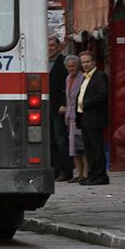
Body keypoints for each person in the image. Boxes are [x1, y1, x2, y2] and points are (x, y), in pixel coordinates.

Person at [76, 51, 109, 186]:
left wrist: (85, 103)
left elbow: (102, 95)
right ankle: (92, 174)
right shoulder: (85, 77)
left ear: (94, 62)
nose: (86, 64)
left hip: (95, 117)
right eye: (83, 62)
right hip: (85, 117)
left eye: (88, 61)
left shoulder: (100, 76)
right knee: (88, 149)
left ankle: (100, 176)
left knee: (96, 148)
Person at [47, 36, 72, 181]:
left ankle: (65, 170)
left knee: (61, 139)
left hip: (58, 107)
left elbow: (66, 86)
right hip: (46, 106)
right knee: (50, 140)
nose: (50, 48)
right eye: (48, 45)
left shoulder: (63, 62)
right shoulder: (42, 61)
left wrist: (64, 103)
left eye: (52, 45)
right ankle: (54, 169)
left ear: (58, 46)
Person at [62, 55, 87, 183]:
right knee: (73, 147)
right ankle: (78, 172)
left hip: (79, 115)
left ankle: (85, 173)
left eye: (73, 66)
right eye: (69, 66)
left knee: (81, 145)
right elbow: (68, 98)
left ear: (78, 67)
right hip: (70, 115)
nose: (71, 68)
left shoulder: (82, 78)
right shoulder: (67, 79)